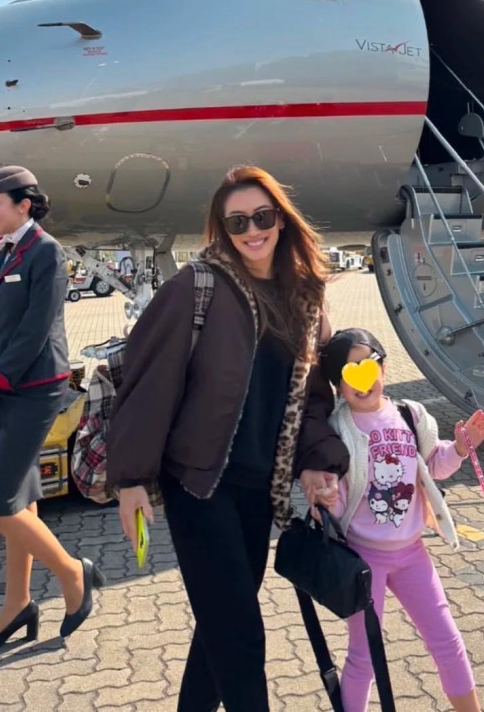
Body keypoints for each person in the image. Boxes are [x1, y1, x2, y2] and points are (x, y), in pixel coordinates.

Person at [106, 165, 349, 712]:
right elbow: (149, 383)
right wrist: (131, 479)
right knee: (240, 635)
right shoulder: (196, 287)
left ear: (281, 221)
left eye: (262, 217)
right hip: (198, 486)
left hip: (258, 491)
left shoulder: (304, 299)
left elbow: (310, 397)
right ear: (222, 228)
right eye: (237, 221)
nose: (251, 230)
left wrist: (316, 460)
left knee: (218, 631)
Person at [0, 166, 105, 654]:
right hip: (6, 389)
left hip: (36, 389)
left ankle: (73, 573)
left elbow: (35, 330)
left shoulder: (46, 252)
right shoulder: (2, 252)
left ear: (23, 204)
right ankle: (17, 604)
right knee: (20, 501)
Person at [318, 328, 484, 712]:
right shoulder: (337, 429)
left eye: (368, 366)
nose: (362, 380)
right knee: (363, 656)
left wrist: (460, 447)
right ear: (338, 384)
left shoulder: (410, 416)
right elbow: (335, 494)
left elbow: (434, 466)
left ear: (383, 367)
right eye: (349, 373)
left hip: (412, 553)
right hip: (363, 559)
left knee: (447, 640)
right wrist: (325, 499)